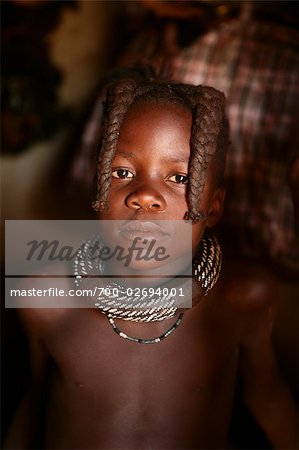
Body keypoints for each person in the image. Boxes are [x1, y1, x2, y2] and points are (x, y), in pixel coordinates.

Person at [5, 70, 299, 449]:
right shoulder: (43, 298)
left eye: (178, 178)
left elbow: (267, 395)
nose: (145, 195)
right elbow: (35, 402)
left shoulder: (242, 296)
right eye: (122, 172)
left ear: (214, 206)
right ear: (98, 187)